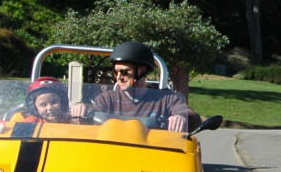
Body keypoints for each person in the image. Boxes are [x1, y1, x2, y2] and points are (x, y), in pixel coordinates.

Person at [70, 41, 202, 132]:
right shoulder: (106, 99)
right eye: (115, 72)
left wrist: (182, 116)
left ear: (142, 70)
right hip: (112, 155)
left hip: (152, 157)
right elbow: (90, 119)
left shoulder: (167, 99)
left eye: (125, 71)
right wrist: (81, 110)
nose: (119, 77)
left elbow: (193, 117)